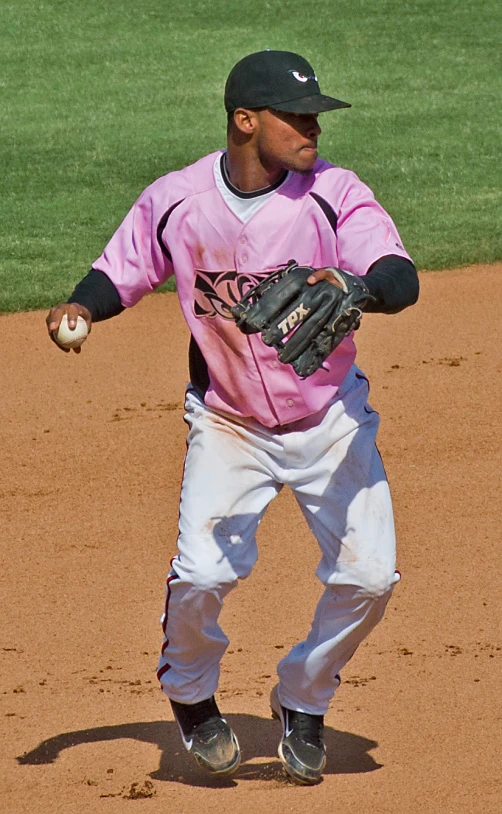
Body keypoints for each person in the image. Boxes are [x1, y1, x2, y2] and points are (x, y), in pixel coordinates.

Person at [46, 50, 419, 785]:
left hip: (330, 421)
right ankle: (189, 694)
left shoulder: (333, 193)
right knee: (203, 574)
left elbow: (396, 275)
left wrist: (360, 288)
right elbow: (125, 267)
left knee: (372, 578)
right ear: (246, 121)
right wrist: (80, 305)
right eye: (297, 115)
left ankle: (302, 699)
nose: (314, 127)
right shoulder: (179, 199)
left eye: (314, 114)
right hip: (229, 423)